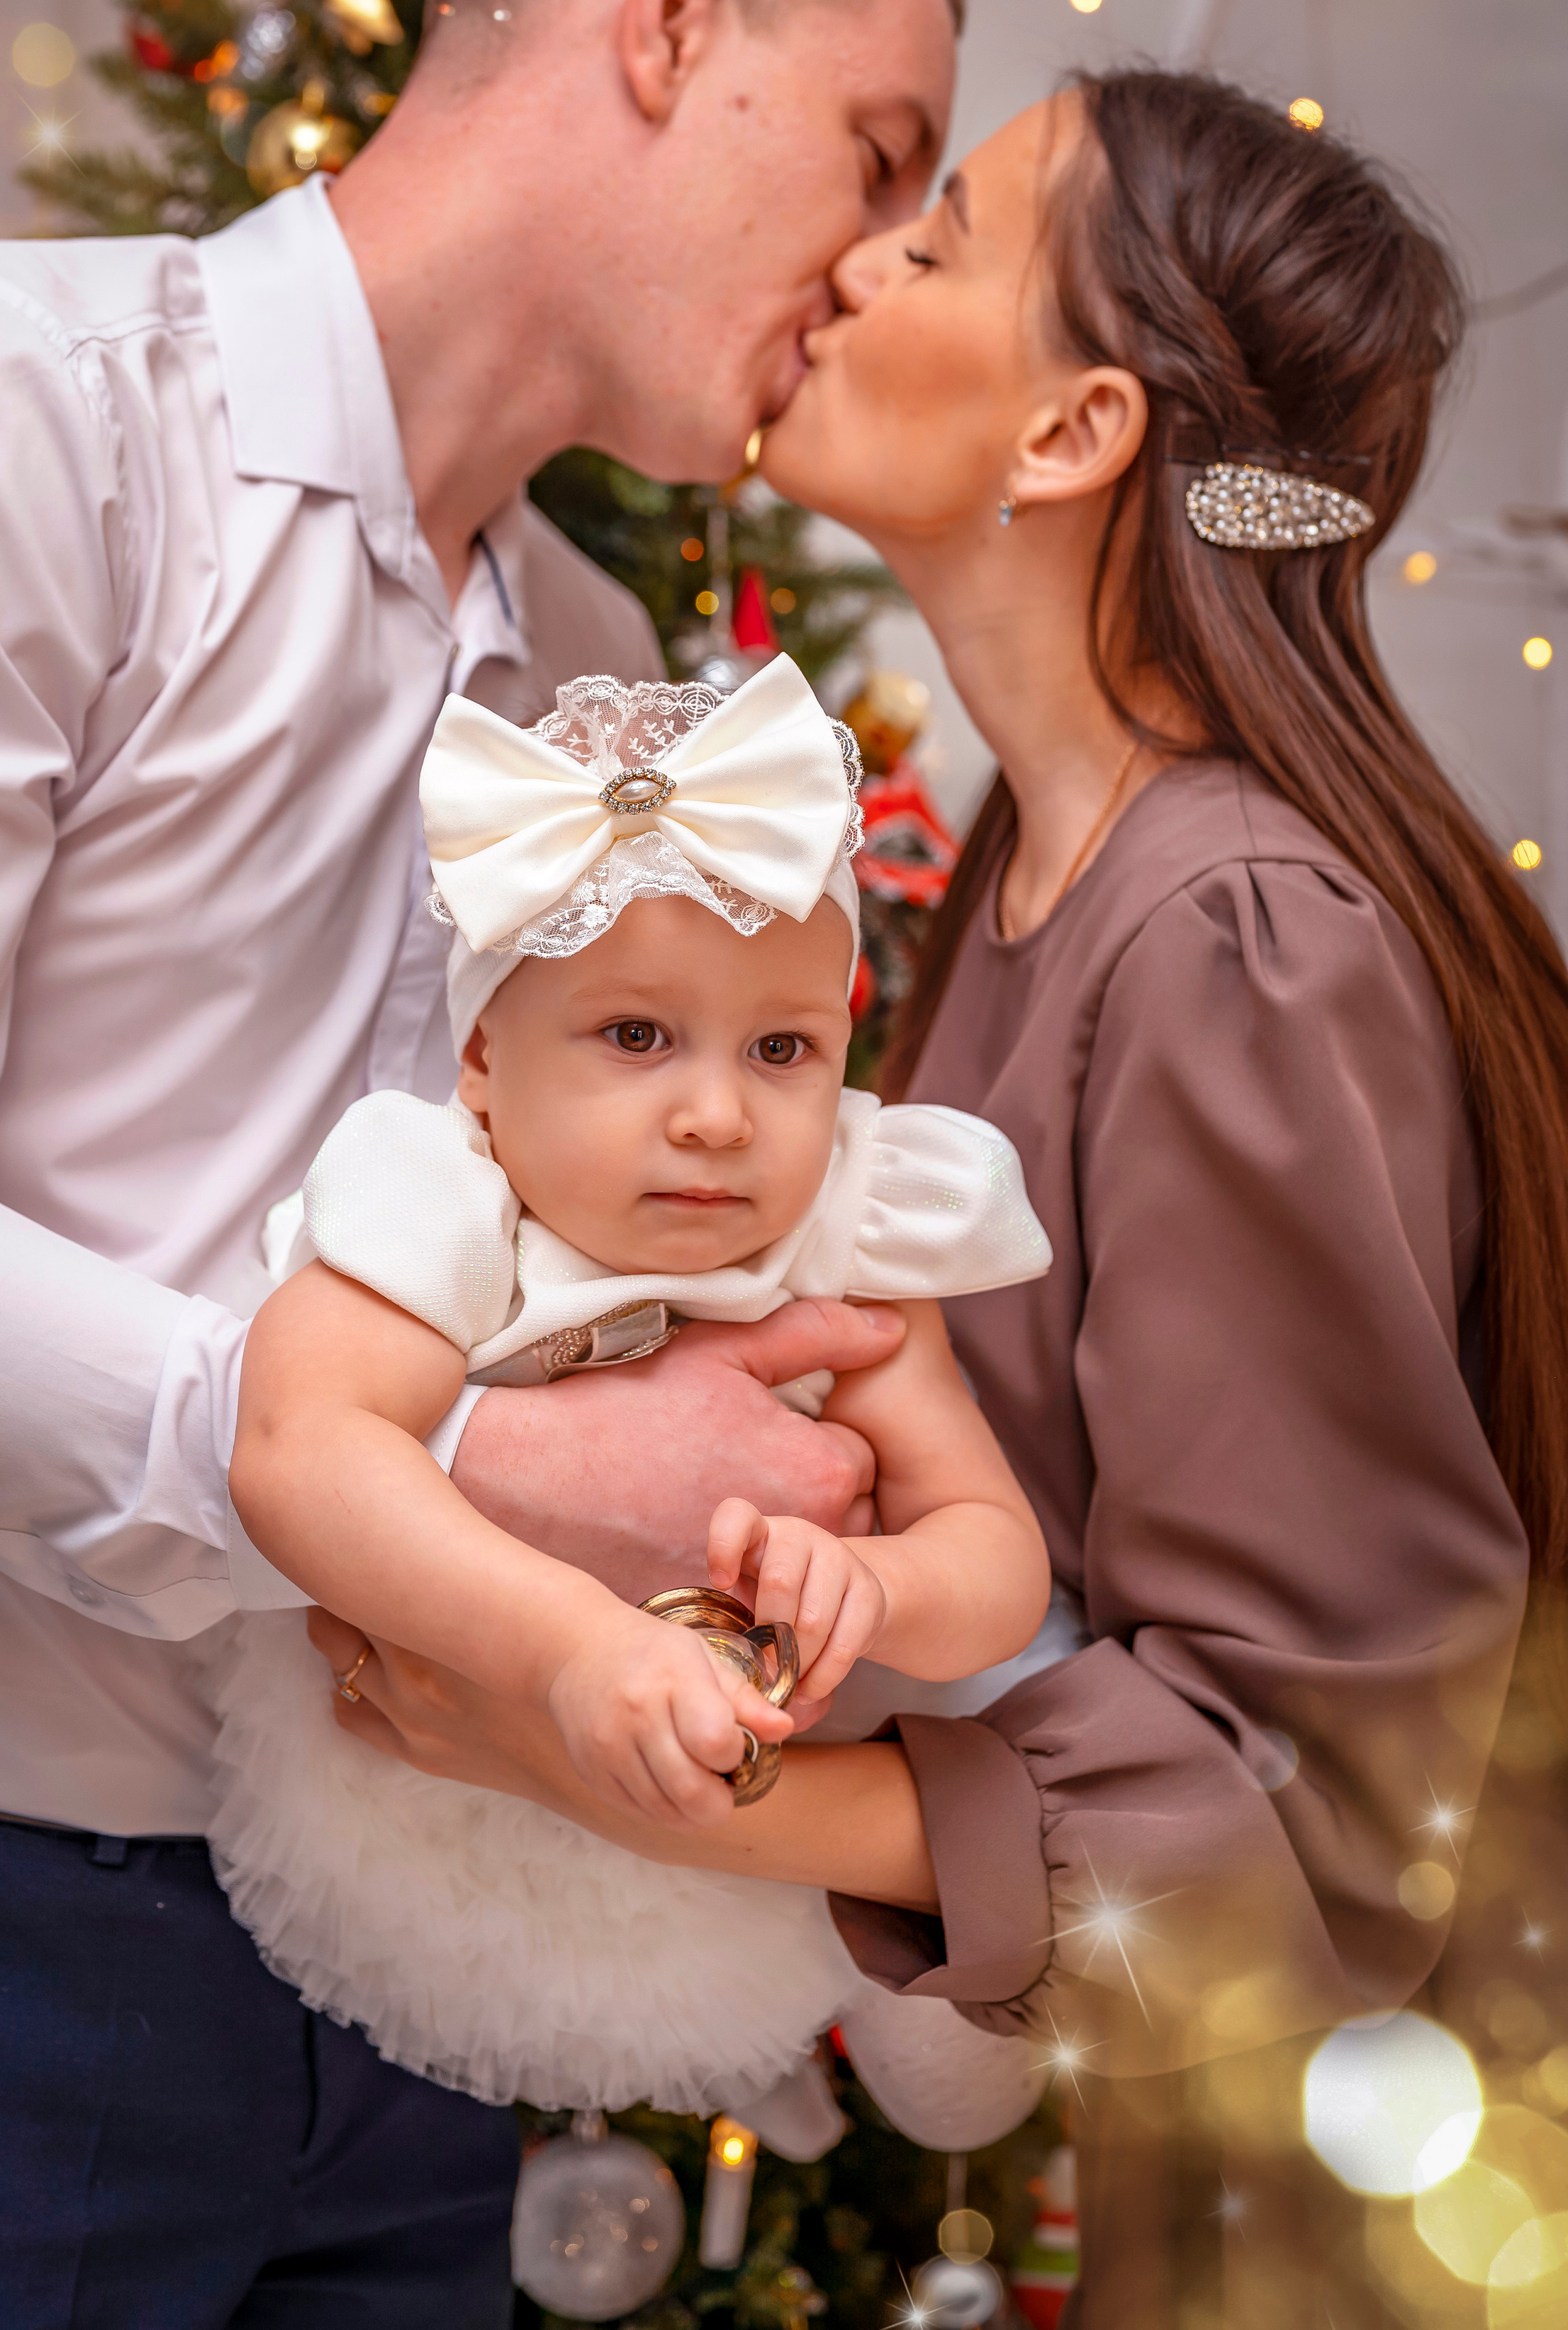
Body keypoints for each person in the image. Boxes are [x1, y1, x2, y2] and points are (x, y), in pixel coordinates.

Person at [0, 0, 960, 2324]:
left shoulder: (594, 648)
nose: (873, 274)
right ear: (665, 19)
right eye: (880, 153)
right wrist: (446, 1467)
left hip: (407, 1932)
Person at [310, 69, 1568, 2320]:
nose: (858, 255)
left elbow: (1335, 1791)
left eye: (945, 231)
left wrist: (623, 1762)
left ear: (1076, 433)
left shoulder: (1235, 936)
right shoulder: (1025, 870)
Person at [214, 654, 1055, 2129]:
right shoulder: (448, 1209)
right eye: (634, 1035)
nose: (718, 1111)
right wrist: (561, 1649)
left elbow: (994, 1553)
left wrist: (873, 1580)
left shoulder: (841, 1240)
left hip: (746, 1864)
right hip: (431, 1811)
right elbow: (295, 1448)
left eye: (781, 1047)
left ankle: (890, 2022)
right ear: (481, 1055)